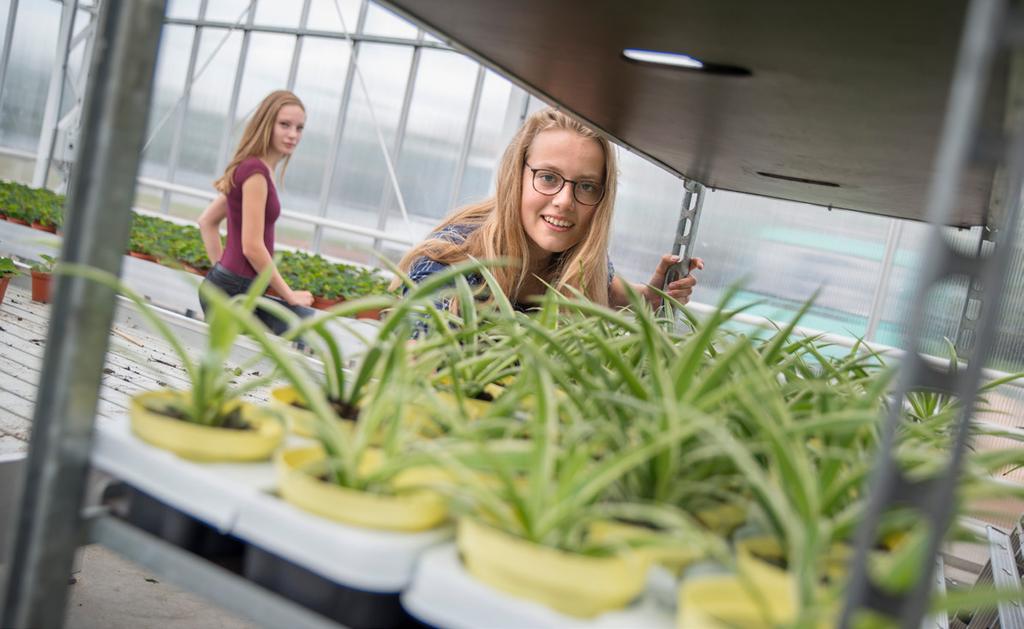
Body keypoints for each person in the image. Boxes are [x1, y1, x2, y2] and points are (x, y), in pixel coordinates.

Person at [393, 107, 703, 313]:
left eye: (586, 186)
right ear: (517, 177)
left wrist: (654, 295)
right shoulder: (450, 266)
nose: (565, 201)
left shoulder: (579, 261)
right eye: (548, 178)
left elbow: (610, 291)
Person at [197, 90, 315, 334]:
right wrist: (289, 295)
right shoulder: (255, 173)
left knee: (300, 326)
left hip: (234, 287)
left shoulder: (256, 169)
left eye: (299, 128)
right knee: (301, 325)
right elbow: (251, 246)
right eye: (285, 125)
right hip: (235, 292)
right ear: (266, 123)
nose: (293, 134)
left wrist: (219, 272)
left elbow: (207, 221)